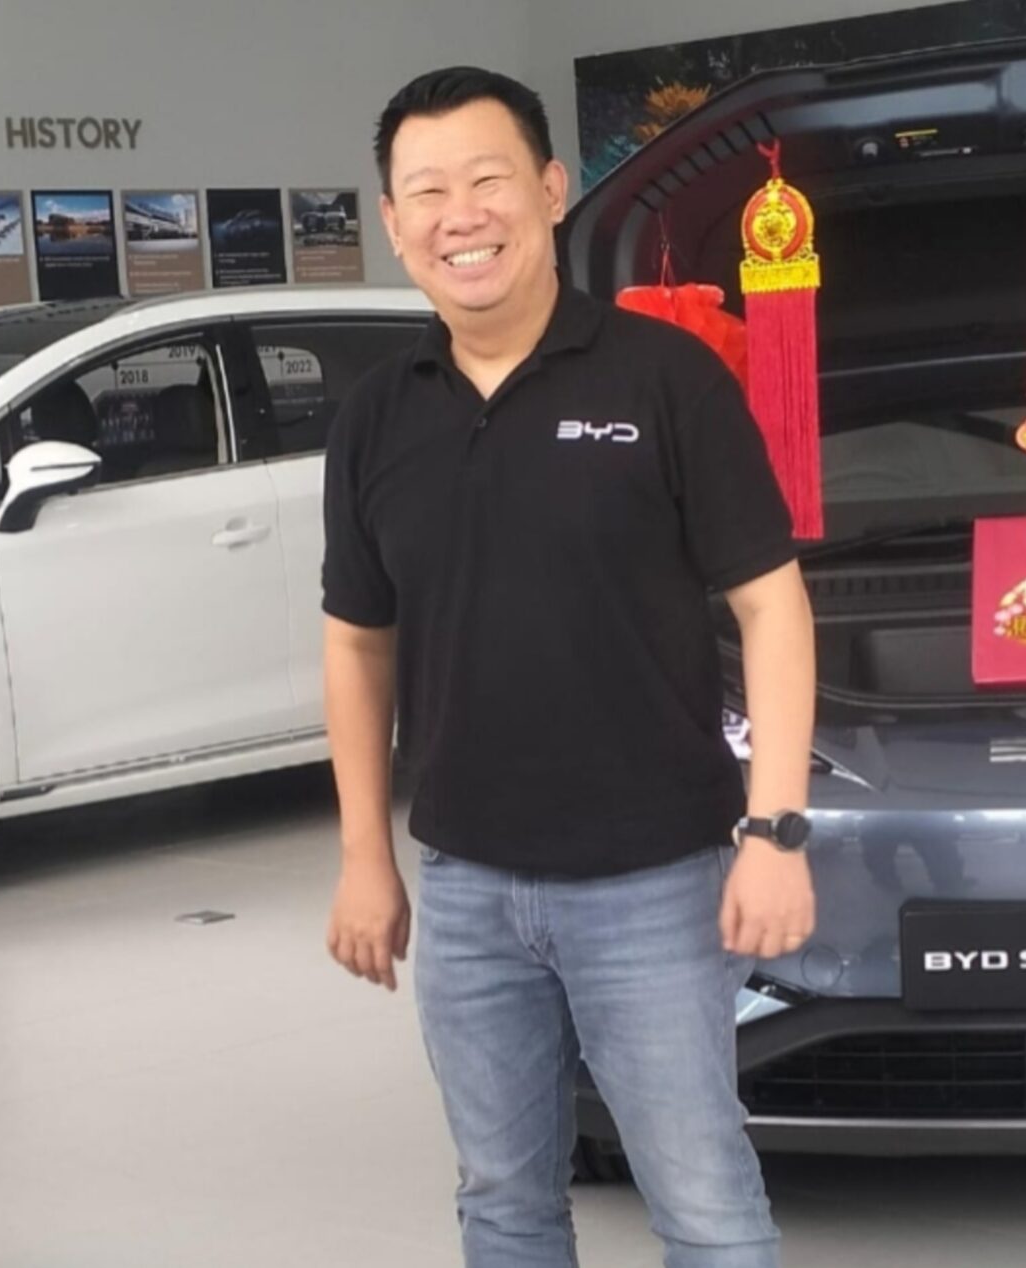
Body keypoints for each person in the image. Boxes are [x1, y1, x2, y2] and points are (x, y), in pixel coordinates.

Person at [320, 66, 819, 1268]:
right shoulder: (377, 416)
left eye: (488, 179)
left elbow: (772, 604)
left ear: (549, 191)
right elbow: (356, 638)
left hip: (653, 882)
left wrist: (774, 829)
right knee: (502, 1200)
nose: (461, 215)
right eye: (427, 191)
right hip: (467, 885)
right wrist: (363, 855)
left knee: (704, 1205)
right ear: (392, 221)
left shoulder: (665, 379)